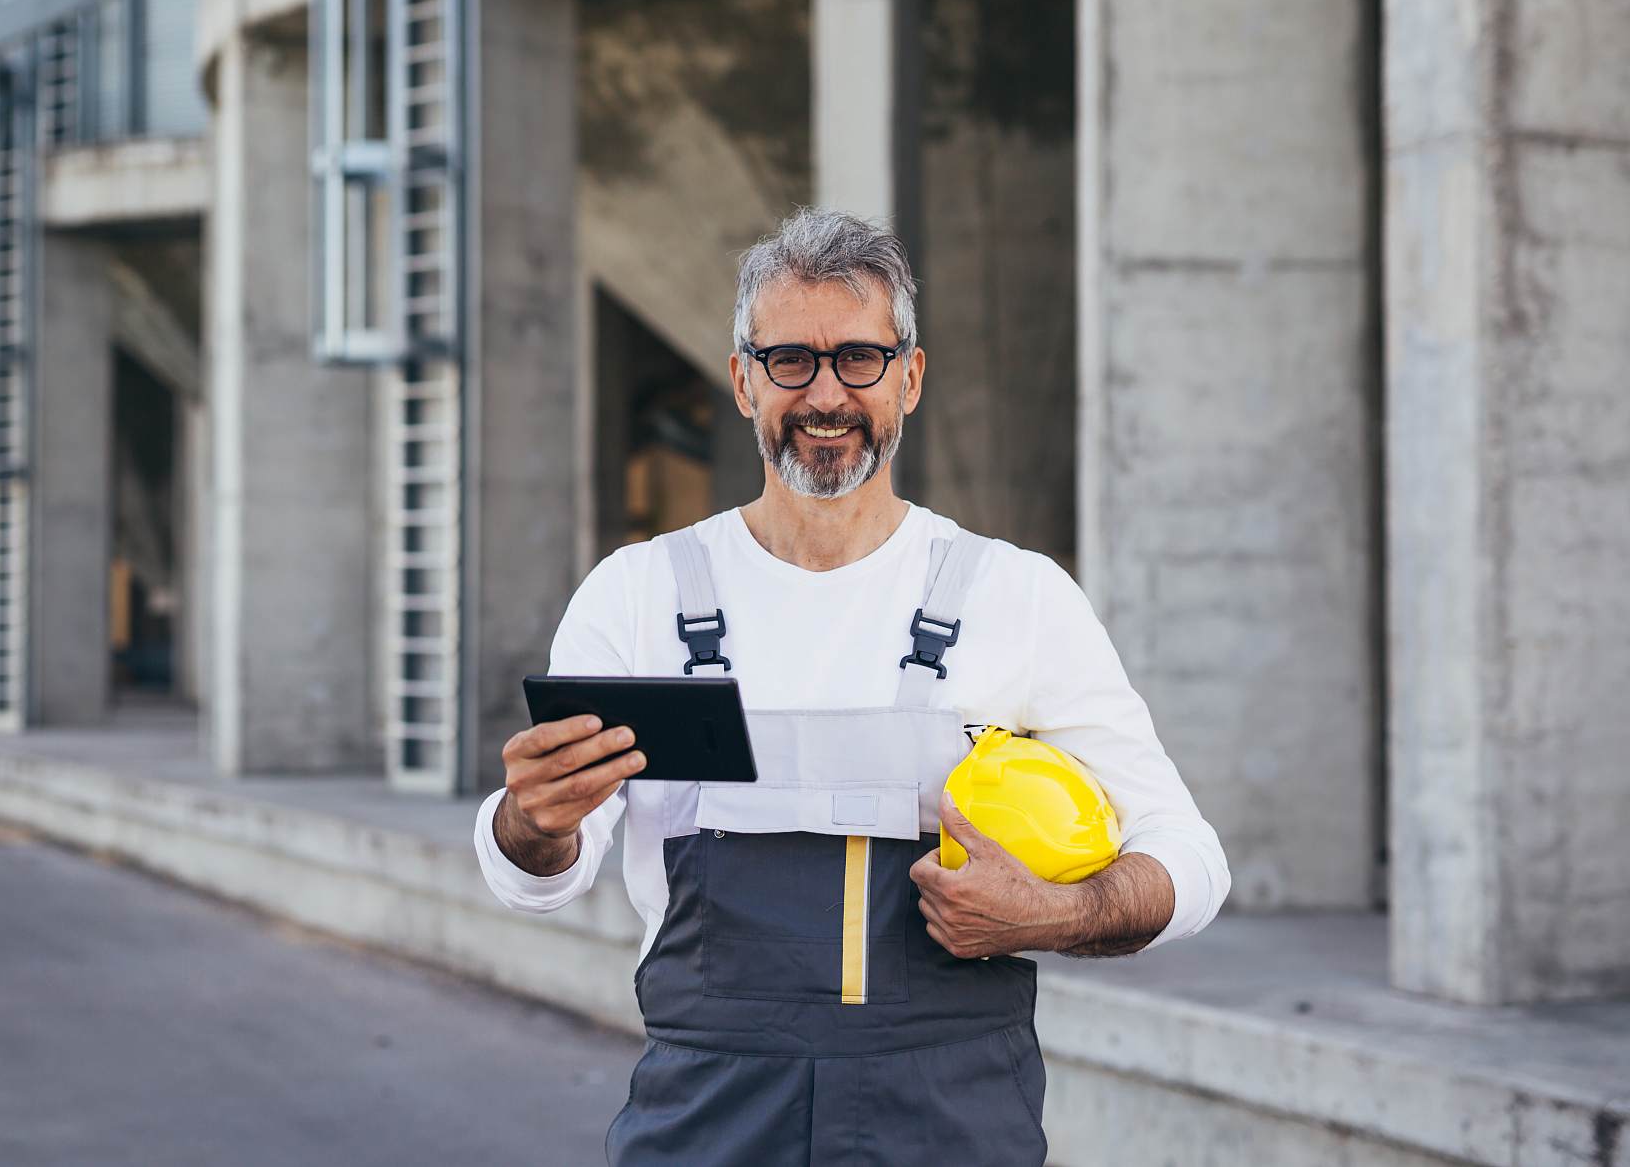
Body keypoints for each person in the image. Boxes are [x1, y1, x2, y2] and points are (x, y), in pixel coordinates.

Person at [473, 209, 1229, 1166]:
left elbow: (1192, 855)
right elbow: (542, 876)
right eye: (791, 358)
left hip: (951, 1119)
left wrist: (1057, 914)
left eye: (859, 359)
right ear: (744, 378)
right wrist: (531, 824)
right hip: (707, 1119)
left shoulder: (1013, 594)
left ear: (908, 377)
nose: (826, 392)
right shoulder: (640, 596)